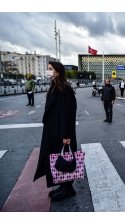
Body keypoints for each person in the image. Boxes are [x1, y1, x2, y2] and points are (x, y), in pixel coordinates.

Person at [34, 61, 77, 202]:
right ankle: (63, 186)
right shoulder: (55, 86)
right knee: (57, 157)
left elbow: (68, 113)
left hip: (61, 132)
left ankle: (68, 188)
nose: (48, 71)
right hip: (53, 130)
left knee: (64, 158)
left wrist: (66, 135)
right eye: (47, 69)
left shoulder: (64, 88)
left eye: (50, 69)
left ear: (57, 71)